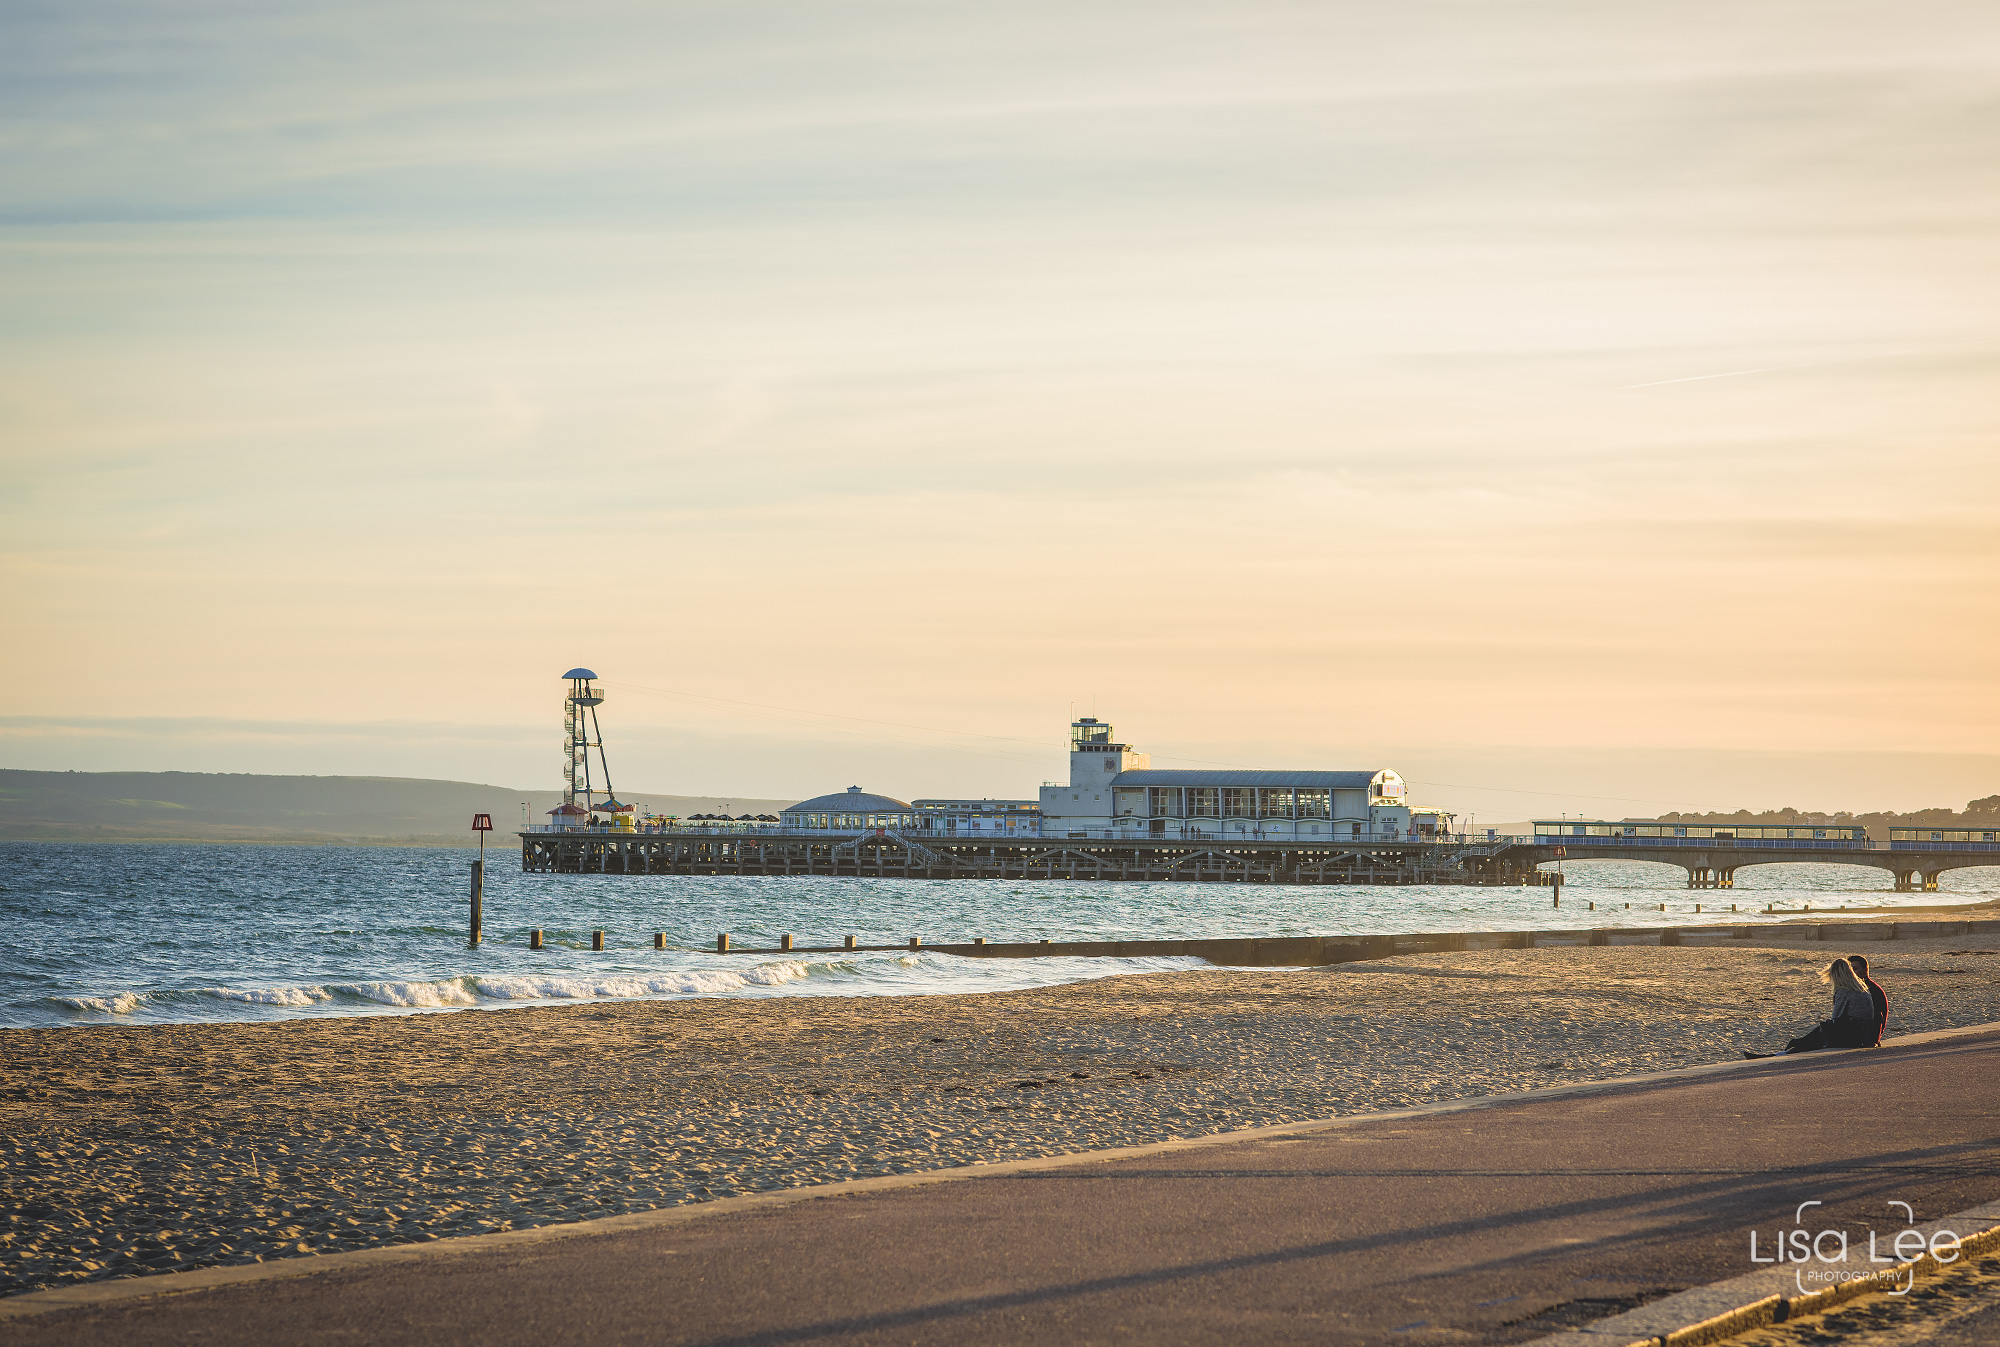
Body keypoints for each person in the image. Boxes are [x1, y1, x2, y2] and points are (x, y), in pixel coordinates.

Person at [1743, 958, 1880, 1058]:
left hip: (1852, 1036)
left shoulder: (1844, 991)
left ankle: (1782, 1052)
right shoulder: (1861, 988)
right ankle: (1784, 1051)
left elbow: (1836, 1017)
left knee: (1818, 1033)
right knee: (1815, 1036)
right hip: (1863, 1033)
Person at [1849, 954, 1888, 1045]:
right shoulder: (1853, 989)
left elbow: (1878, 1017)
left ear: (1865, 970)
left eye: (1855, 969)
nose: (1852, 973)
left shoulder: (1873, 990)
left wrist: (1873, 1040)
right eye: (1849, 970)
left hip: (1866, 1037)